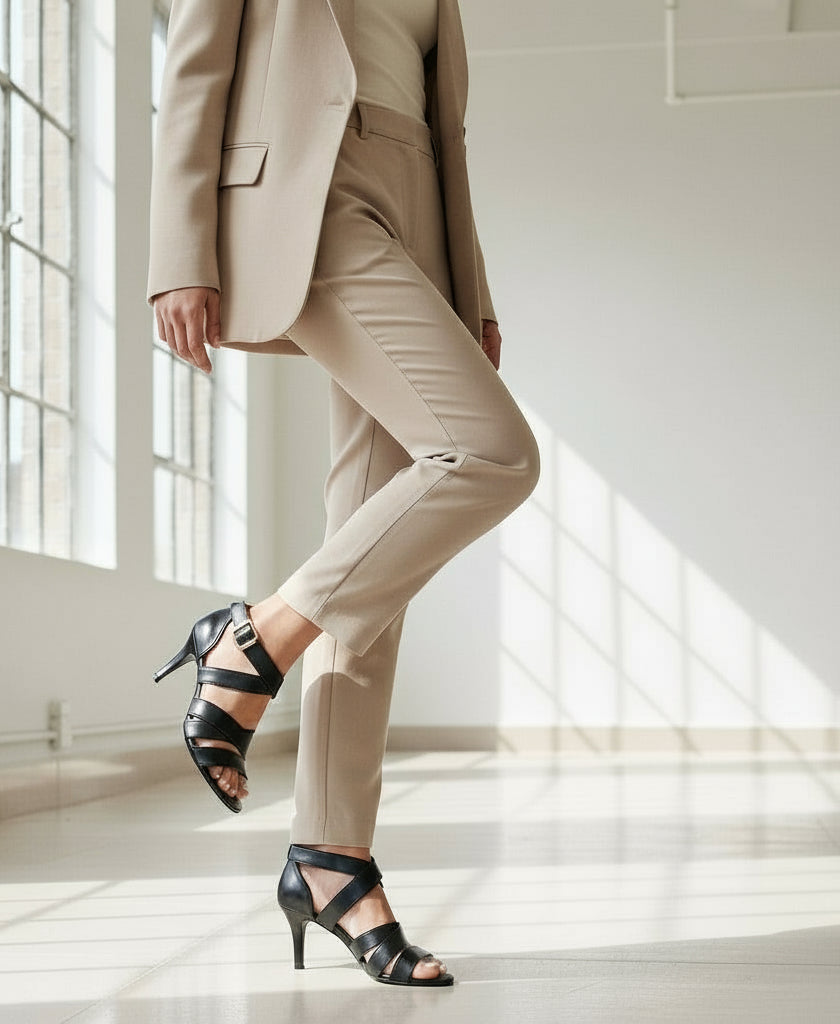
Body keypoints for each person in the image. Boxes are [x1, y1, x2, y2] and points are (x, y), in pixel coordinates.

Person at [148, 0, 540, 988]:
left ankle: (330, 856)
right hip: (305, 192)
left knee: (372, 545)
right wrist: (179, 254)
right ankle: (252, 642)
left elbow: (441, 124)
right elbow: (194, 67)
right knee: (492, 453)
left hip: (418, 208)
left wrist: (472, 287)